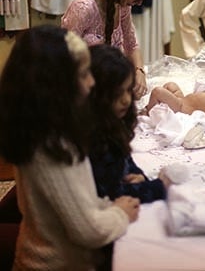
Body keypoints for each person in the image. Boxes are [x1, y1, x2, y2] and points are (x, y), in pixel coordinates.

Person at [0, 25, 140, 270]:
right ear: (57, 84)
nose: (91, 82)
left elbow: (78, 202)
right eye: (84, 73)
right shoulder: (52, 146)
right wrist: (120, 212)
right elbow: (88, 230)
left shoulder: (45, 131)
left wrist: (108, 205)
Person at [61, 0, 159, 99]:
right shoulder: (84, 8)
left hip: (111, 86)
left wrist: (139, 71)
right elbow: (64, 57)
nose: (139, 3)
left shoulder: (123, 6)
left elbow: (131, 44)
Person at [88, 44, 171, 203]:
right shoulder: (93, 138)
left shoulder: (114, 123)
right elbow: (111, 193)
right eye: (117, 93)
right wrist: (160, 186)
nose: (126, 100)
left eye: (128, 90)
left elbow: (126, 161)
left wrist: (140, 176)